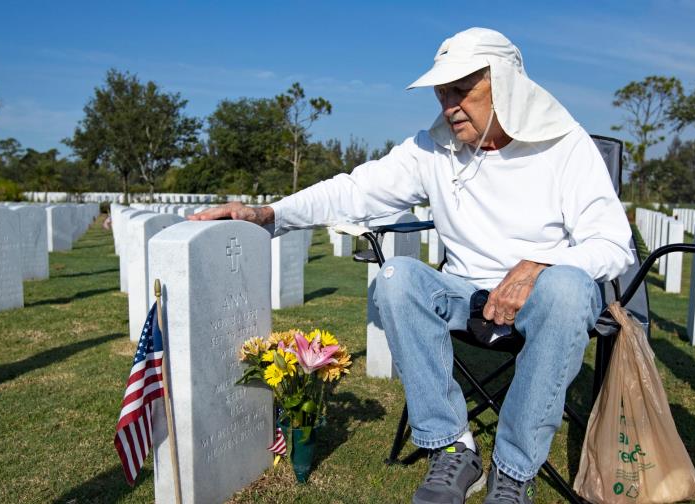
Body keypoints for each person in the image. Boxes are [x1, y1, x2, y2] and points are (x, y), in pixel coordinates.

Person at [191, 27, 633, 504]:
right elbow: (353, 190)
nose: (449, 105)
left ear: (506, 85)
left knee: (568, 290)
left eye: (462, 91)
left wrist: (539, 265)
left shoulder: (564, 146)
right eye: (443, 92)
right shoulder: (433, 150)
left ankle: (513, 471)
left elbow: (614, 243)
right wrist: (268, 214)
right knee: (396, 278)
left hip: (546, 299)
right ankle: (452, 448)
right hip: (467, 294)